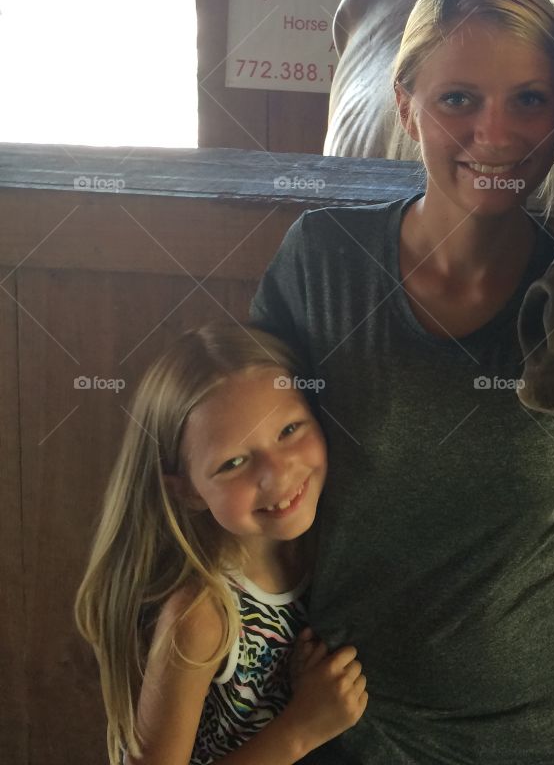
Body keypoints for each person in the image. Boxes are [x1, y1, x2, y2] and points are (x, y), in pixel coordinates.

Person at [249, 0, 554, 765]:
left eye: (528, 101)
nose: (495, 135)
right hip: (351, 727)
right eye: (457, 100)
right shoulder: (322, 262)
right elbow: (246, 489)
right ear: (406, 107)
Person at [74, 322, 368, 765]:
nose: (278, 474)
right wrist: (300, 730)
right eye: (233, 462)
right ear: (188, 491)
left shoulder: (332, 542)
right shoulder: (202, 617)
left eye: (289, 430)